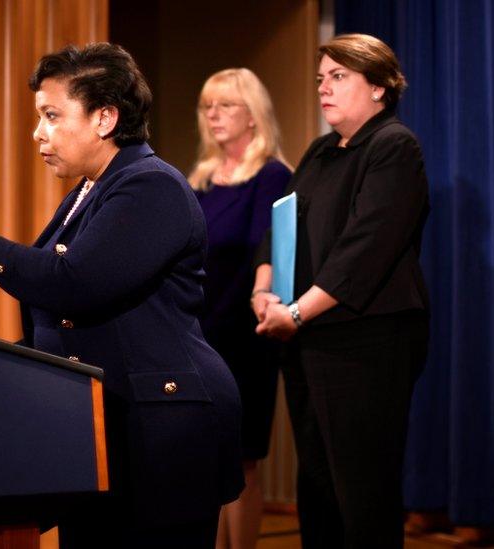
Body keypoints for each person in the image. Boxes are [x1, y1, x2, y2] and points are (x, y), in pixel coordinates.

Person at [0, 43, 243, 548]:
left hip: (162, 434)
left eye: (52, 116)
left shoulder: (150, 186)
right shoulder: (90, 188)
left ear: (105, 117)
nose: (38, 133)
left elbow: (72, 283)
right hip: (109, 426)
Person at [252, 34, 429, 548]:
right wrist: (263, 292)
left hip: (367, 342)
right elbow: (278, 228)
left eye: (338, 78)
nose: (323, 90)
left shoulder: (394, 147)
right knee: (319, 484)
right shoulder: (321, 150)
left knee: (362, 489)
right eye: (319, 80)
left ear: (379, 87)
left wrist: (298, 313)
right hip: (309, 339)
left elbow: (364, 250)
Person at [189, 68, 292, 549]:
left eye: (225, 105)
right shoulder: (202, 181)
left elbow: (261, 255)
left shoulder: (272, 175)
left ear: (253, 116)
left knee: (241, 459)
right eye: (208, 105)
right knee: (204, 458)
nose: (213, 114)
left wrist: (209, 329)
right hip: (195, 336)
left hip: (241, 337)